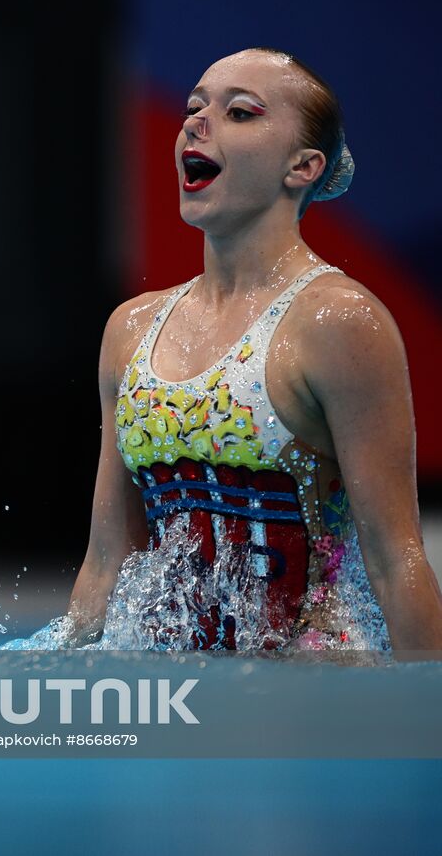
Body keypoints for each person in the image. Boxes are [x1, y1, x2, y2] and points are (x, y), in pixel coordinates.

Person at [62, 47, 442, 659]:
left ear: (303, 166)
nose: (196, 122)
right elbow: (106, 563)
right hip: (176, 683)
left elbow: (396, 562)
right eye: (193, 107)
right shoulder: (131, 329)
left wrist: (427, 725)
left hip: (311, 686)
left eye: (240, 113)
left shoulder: (338, 322)